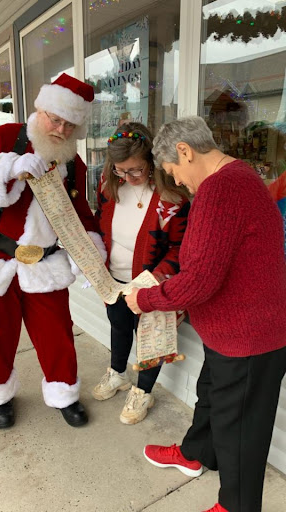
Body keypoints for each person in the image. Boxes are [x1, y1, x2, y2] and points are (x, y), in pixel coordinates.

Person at [125, 116, 286, 512]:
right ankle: (198, 452)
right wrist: (180, 299)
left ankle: (236, 506)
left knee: (241, 434)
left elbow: (199, 280)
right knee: (212, 396)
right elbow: (215, 269)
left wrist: (147, 300)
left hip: (249, 337)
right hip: (233, 330)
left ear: (185, 151)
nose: (176, 181)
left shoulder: (219, 189)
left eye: (172, 171)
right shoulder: (239, 175)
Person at [0, 74, 106, 429]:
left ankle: (64, 393)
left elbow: (79, 212)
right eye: (55, 119)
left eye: (70, 125)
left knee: (57, 334)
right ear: (41, 111)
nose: (60, 129)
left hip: (44, 263)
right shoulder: (6, 137)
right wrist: (7, 167)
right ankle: (1, 396)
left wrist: (91, 252)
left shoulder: (72, 164)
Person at [92, 122, 190, 424]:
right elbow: (99, 226)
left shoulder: (171, 198)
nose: (128, 178)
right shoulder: (110, 188)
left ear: (152, 161)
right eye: (120, 170)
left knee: (150, 339)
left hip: (151, 285)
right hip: (114, 280)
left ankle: (143, 391)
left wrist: (155, 279)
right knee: (118, 327)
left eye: (135, 170)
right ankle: (117, 373)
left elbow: (179, 248)